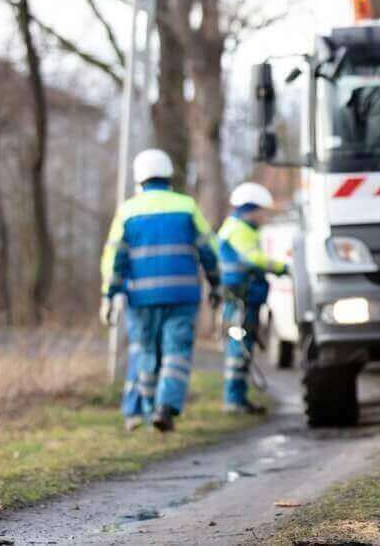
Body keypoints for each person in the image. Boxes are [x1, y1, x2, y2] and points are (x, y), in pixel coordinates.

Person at [100, 149, 221, 432]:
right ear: (168, 177)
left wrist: (109, 294)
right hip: (182, 296)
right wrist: (216, 283)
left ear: (139, 179)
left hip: (141, 298)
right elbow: (208, 250)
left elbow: (114, 259)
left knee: (144, 352)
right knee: (175, 353)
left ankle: (142, 408)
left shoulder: (127, 211)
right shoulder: (187, 206)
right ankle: (165, 407)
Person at [217, 182, 288, 414]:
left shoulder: (238, 227)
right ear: (250, 209)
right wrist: (282, 267)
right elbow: (253, 259)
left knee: (242, 347)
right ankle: (234, 400)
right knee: (239, 349)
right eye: (261, 211)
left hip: (244, 299)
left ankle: (237, 398)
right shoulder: (239, 229)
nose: (263, 217)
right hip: (241, 300)